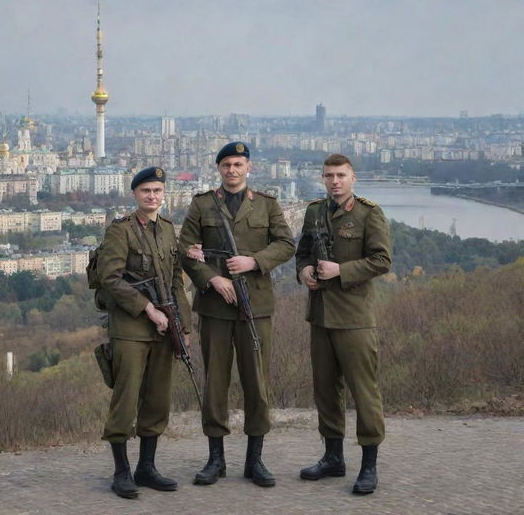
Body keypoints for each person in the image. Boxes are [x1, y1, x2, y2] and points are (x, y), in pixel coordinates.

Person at [179, 141, 295, 487]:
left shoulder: (268, 205)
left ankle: (255, 460)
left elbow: (286, 244)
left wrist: (253, 262)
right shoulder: (202, 204)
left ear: (248, 168)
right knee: (215, 382)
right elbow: (185, 250)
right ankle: (216, 460)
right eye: (226, 164)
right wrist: (212, 278)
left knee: (256, 384)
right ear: (219, 169)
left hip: (255, 307)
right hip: (215, 308)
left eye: (238, 164)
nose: (232, 170)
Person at [295, 153, 391, 495]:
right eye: (329, 176)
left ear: (353, 178)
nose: (334, 181)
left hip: (354, 318)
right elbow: (303, 252)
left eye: (340, 175)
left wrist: (342, 271)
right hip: (321, 314)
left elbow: (382, 260)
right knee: (325, 389)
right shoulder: (314, 212)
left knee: (364, 392)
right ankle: (333, 457)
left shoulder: (368, 213)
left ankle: (369, 465)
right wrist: (304, 271)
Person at [97, 166, 192, 499]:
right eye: (145, 191)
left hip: (165, 329)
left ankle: (146, 468)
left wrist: (184, 325)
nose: (152, 196)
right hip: (131, 329)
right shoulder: (120, 231)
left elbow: (175, 280)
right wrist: (147, 308)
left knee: (157, 399)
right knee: (126, 399)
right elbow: (111, 279)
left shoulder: (166, 229)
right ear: (135, 194)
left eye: (157, 191)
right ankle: (121, 471)